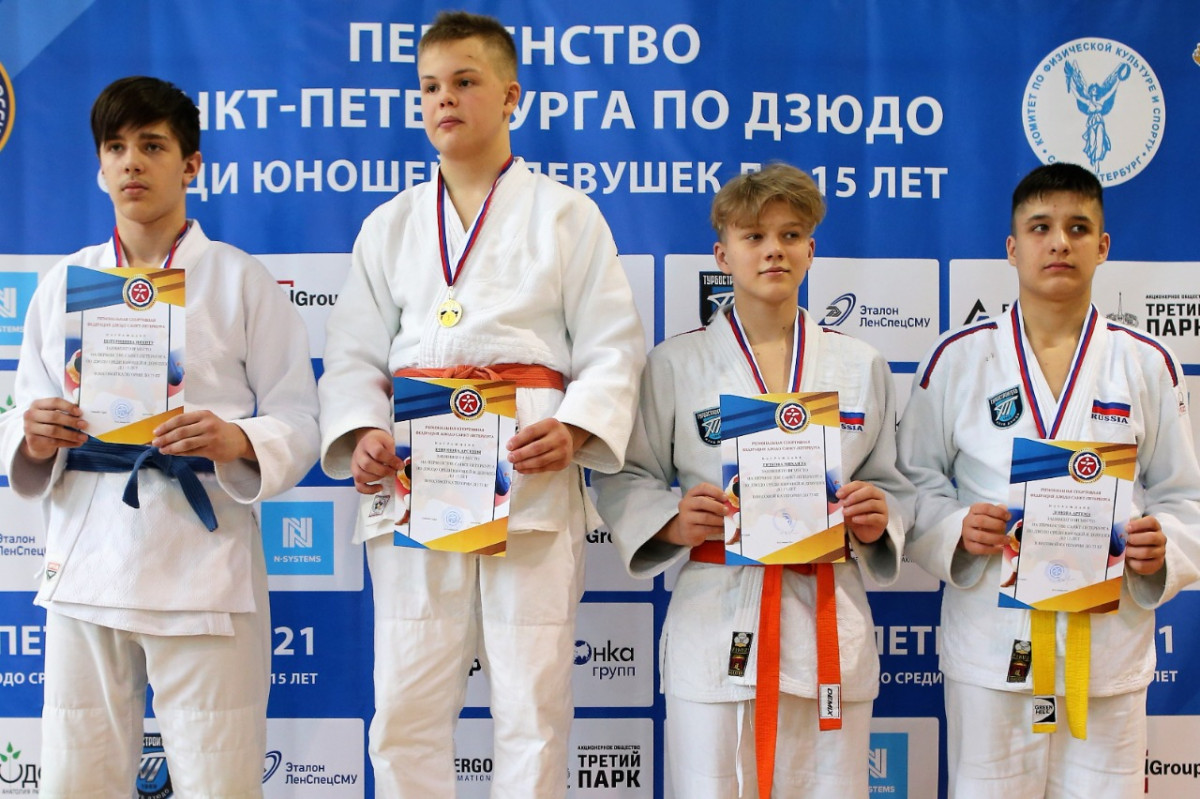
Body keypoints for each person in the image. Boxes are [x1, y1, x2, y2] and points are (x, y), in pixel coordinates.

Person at [317, 11, 644, 798]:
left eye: (465, 81)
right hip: (415, 474)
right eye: (430, 85)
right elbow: (354, 354)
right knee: (404, 706)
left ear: (510, 95)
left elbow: (613, 344)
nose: (444, 99)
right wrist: (363, 430)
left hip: (526, 475)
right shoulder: (389, 225)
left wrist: (574, 426)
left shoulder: (566, 215)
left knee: (532, 705)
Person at [1, 76, 320, 796]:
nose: (132, 163)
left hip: (203, 562)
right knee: (75, 777)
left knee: (219, 777)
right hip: (88, 557)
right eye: (116, 148)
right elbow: (18, 414)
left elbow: (300, 418)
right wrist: (33, 435)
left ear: (191, 165)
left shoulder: (239, 280)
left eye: (152, 145)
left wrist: (236, 439)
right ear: (99, 166)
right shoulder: (64, 283)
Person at [593, 163, 914, 798]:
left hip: (827, 619)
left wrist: (880, 517)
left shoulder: (860, 365)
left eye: (791, 235)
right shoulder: (675, 365)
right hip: (717, 621)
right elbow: (627, 477)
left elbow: (891, 484)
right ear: (723, 255)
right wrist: (672, 520)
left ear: (811, 251)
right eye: (754, 236)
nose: (774, 250)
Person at [897, 162, 1200, 798]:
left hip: (1108, 648)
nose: (1059, 242)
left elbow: (1184, 495)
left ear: (1103, 246)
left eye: (1078, 228)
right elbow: (912, 483)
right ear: (1012, 247)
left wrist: (1162, 546)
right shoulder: (958, 358)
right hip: (993, 646)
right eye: (1040, 227)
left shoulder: (1146, 362)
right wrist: (957, 530)